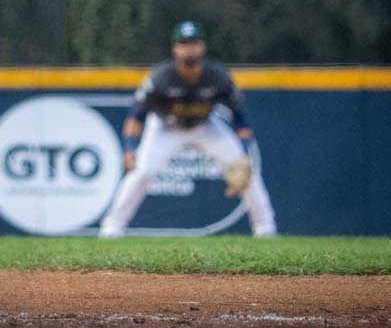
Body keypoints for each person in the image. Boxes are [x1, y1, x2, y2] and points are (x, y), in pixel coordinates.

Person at [99, 21, 278, 238]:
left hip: (205, 126)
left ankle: (265, 229)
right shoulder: (161, 77)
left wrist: (247, 148)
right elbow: (137, 116)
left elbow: (239, 115)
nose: (189, 48)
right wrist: (129, 147)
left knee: (246, 171)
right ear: (175, 49)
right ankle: (112, 229)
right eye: (184, 43)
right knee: (142, 172)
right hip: (166, 127)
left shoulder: (217, 75)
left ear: (203, 47)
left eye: (194, 43)